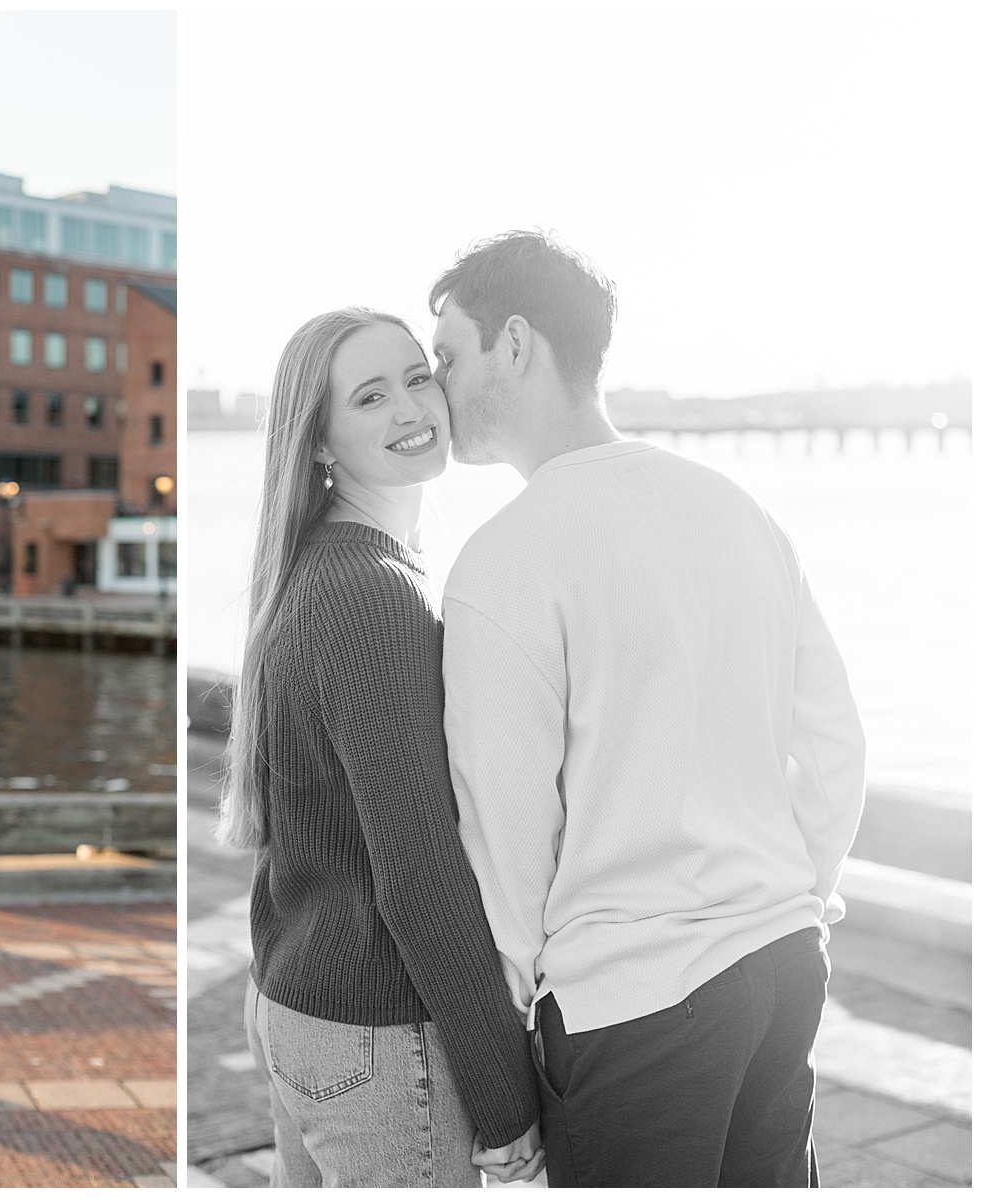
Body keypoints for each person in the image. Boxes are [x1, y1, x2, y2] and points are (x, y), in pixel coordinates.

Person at [431, 231, 866, 1187]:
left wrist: (522, 1037)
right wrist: (795, 894)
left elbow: (505, 835)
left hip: (633, 1008)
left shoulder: (504, 562)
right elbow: (835, 743)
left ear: (516, 343)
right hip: (782, 963)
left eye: (447, 355)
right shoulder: (737, 510)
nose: (437, 386)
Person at [216, 308, 543, 1186]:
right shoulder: (372, 597)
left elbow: (303, 830)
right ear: (319, 443)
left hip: (306, 1015)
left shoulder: (323, 570)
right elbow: (420, 871)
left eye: (415, 376)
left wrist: (264, 980)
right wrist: (506, 1094)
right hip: (381, 1043)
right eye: (369, 396)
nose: (410, 407)